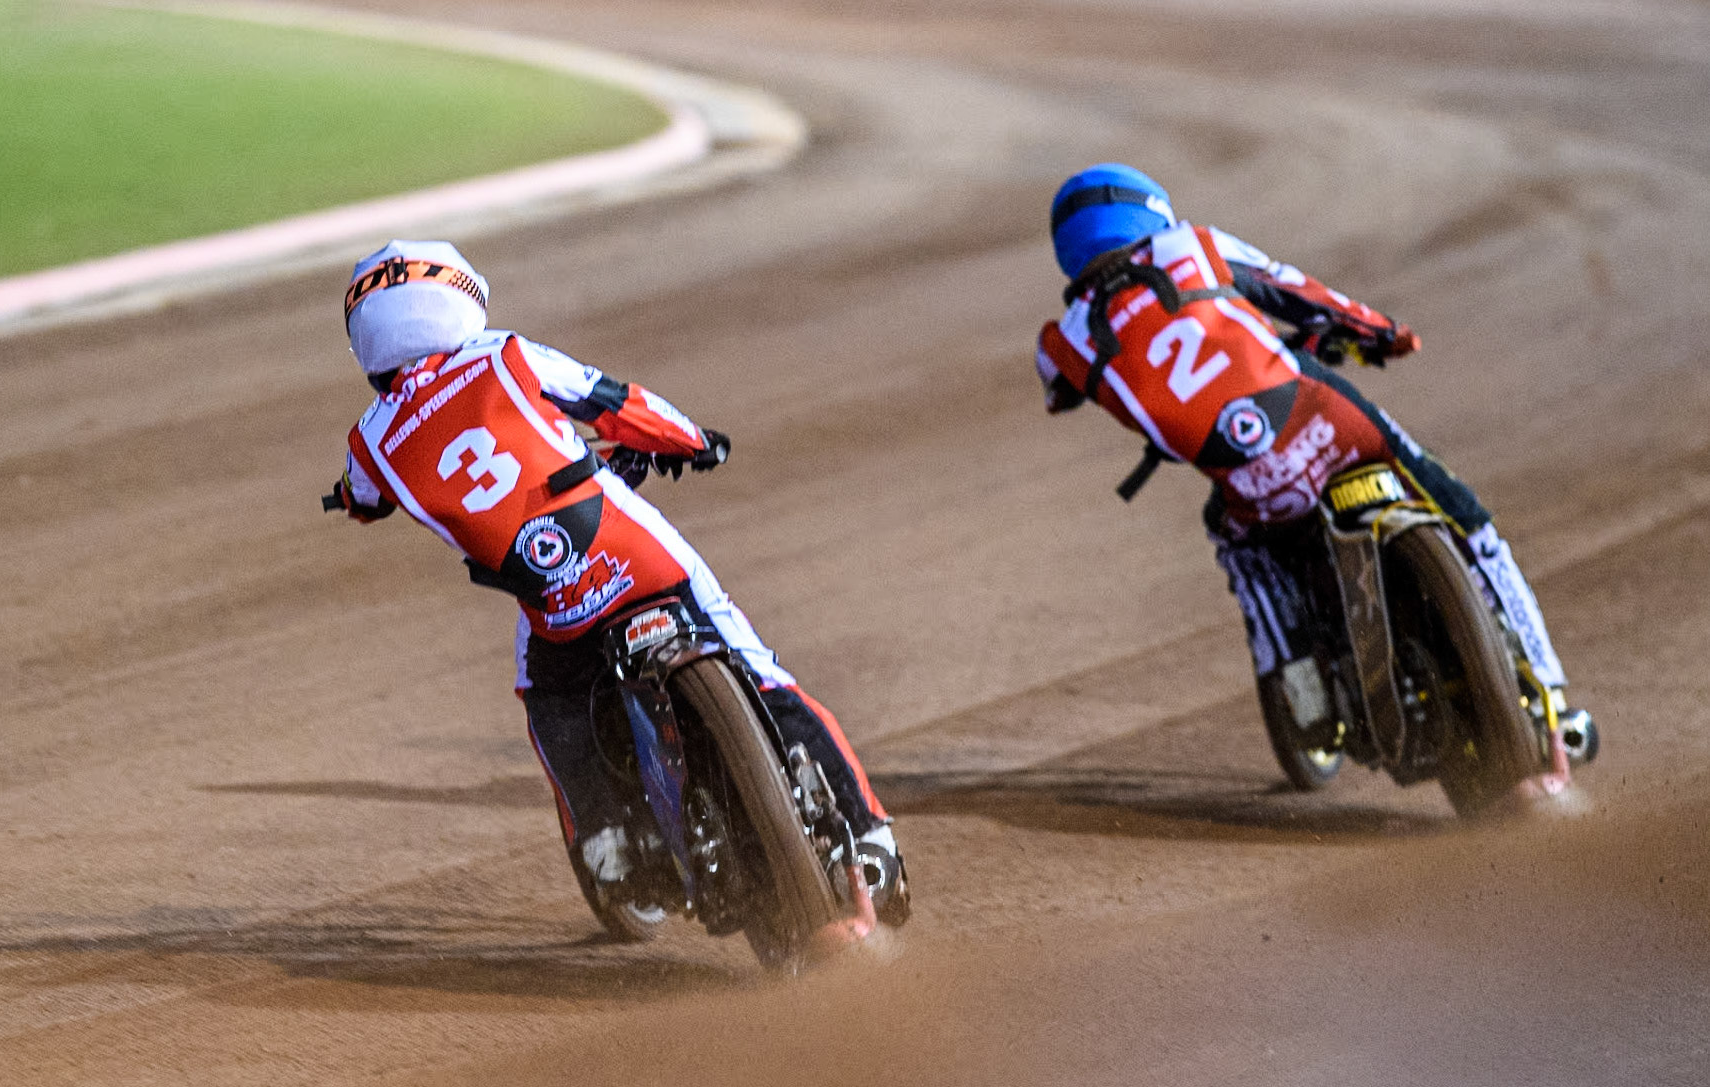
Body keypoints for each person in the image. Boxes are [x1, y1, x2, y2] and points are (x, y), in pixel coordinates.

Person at [328, 240, 906, 924]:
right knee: (761, 672)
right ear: (457, 297)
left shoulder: (370, 441)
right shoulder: (502, 355)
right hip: (639, 555)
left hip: (557, 609)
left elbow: (362, 500)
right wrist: (694, 439)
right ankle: (870, 835)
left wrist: (346, 495)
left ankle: (607, 844)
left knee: (547, 698)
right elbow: (615, 403)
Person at [1035, 165, 1596, 798]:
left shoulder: (1066, 340)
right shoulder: (1192, 245)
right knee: (1474, 524)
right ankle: (1550, 703)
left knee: (1240, 545)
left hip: (1252, 482)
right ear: (1152, 213)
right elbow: (1299, 292)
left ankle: (1304, 694)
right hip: (1330, 422)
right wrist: (1382, 334)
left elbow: (1056, 393)